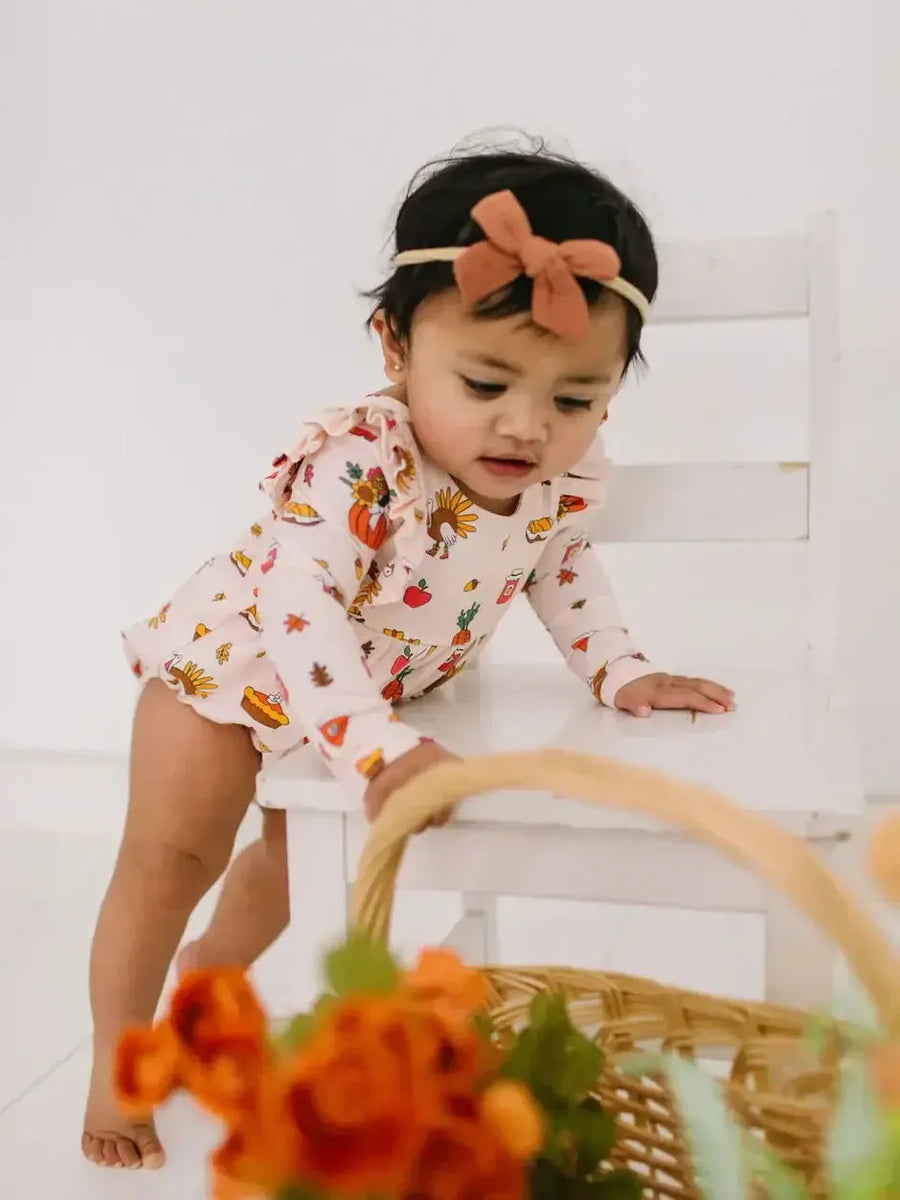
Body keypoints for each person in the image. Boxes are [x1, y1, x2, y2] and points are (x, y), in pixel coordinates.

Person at [82, 142, 735, 1169]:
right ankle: (114, 1069)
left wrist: (617, 666)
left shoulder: (554, 478)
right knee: (170, 862)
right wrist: (372, 743)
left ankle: (209, 976)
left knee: (293, 868)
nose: (527, 425)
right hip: (236, 674)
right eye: (485, 381)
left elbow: (560, 564)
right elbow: (301, 604)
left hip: (363, 701)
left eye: (574, 399)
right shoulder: (365, 460)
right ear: (395, 346)